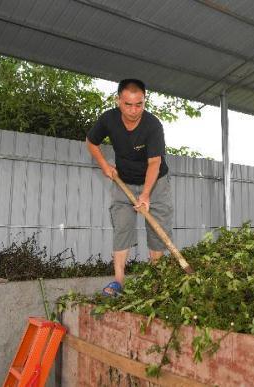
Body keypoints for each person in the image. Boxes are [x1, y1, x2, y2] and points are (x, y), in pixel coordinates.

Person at [86, 79, 173, 296]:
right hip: (123, 180)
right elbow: (91, 141)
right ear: (118, 101)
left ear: (144, 101)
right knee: (122, 226)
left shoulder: (153, 126)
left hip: (155, 183)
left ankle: (154, 283)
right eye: (128, 104)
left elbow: (155, 162)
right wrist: (104, 165)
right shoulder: (109, 119)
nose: (134, 110)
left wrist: (145, 194)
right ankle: (118, 281)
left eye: (139, 104)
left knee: (157, 229)